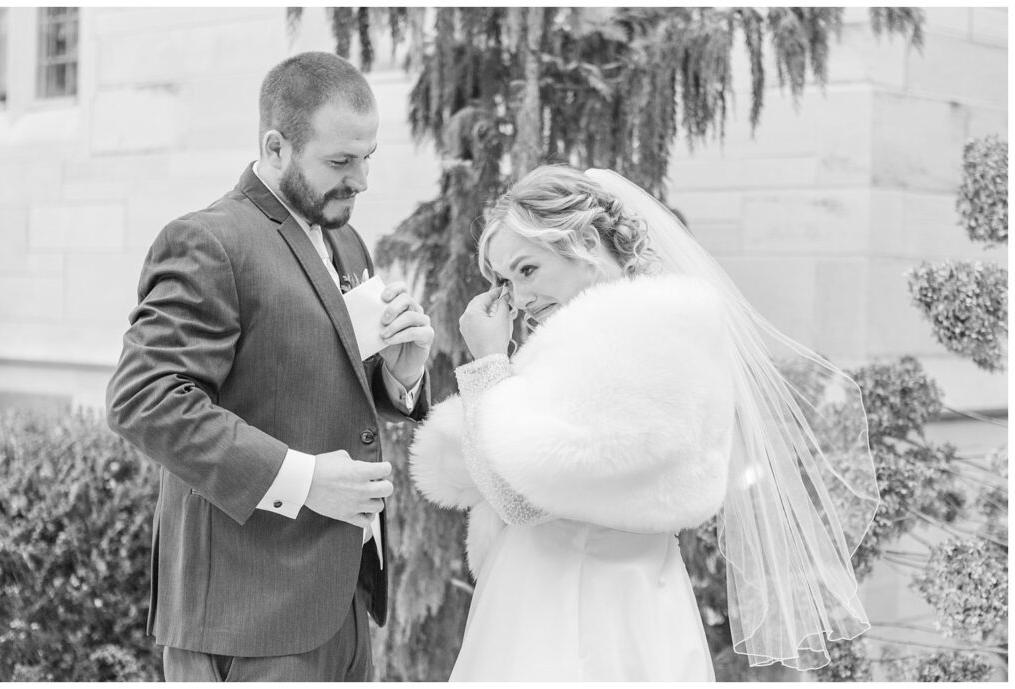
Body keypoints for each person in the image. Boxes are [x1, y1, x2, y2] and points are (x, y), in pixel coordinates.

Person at [408, 165, 878, 680]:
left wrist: (488, 365)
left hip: (579, 618)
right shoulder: (632, 336)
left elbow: (517, 497)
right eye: (504, 281)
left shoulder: (627, 348)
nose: (517, 300)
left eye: (527, 270)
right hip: (611, 600)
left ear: (585, 240)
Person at [106, 52, 433, 682]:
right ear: (276, 147)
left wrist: (401, 374)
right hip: (248, 617)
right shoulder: (207, 241)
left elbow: (318, 381)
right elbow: (145, 399)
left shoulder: (344, 238)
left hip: (345, 601)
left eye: (368, 157)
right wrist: (307, 481)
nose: (361, 180)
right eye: (340, 162)